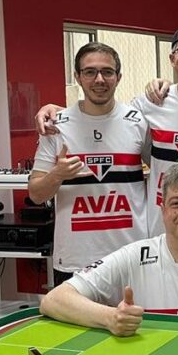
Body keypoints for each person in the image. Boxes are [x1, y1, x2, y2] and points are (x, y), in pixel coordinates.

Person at [34, 25, 178, 242]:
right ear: (172, 58)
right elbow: (103, 116)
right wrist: (60, 113)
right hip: (161, 233)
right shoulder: (148, 105)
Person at [39, 162, 178, 336]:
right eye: (176, 203)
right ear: (163, 210)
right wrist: (110, 317)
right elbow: (54, 300)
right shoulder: (134, 257)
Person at [28, 42, 148, 286]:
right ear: (78, 77)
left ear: (119, 77)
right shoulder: (56, 126)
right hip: (75, 261)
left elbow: (164, 175)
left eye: (107, 72)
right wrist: (57, 175)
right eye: (90, 72)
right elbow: (36, 194)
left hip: (130, 256)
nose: (99, 79)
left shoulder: (138, 122)